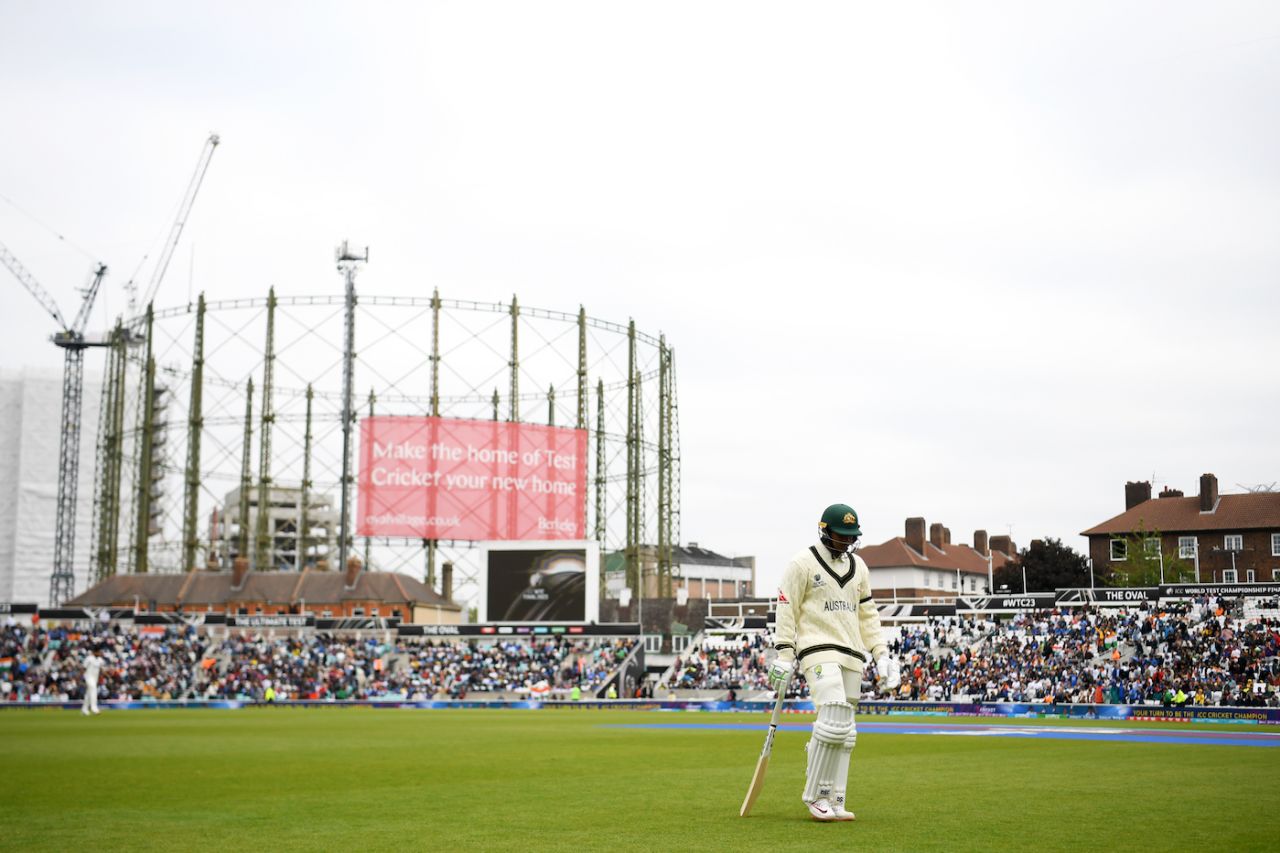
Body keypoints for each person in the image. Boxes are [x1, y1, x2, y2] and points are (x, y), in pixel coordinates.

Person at [768, 503, 900, 822]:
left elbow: (867, 615)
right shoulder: (801, 563)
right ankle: (815, 797)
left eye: (850, 537)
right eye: (840, 536)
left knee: (846, 731)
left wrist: (881, 653)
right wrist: (784, 654)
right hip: (817, 647)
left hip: (852, 652)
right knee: (831, 718)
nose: (845, 542)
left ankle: (836, 798)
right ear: (824, 531)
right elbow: (786, 608)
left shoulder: (860, 568)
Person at [82, 647, 103, 716]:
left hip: (95, 678)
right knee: (93, 689)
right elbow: (84, 668)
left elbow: (101, 669)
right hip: (88, 676)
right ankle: (94, 708)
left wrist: (104, 677)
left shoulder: (100, 660)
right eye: (98, 652)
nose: (99, 653)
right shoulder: (89, 659)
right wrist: (81, 677)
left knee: (89, 693)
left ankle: (84, 709)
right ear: (94, 652)